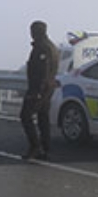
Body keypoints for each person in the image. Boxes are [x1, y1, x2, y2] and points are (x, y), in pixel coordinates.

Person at [21, 20, 60, 160]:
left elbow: (42, 71)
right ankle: (46, 148)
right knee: (43, 117)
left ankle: (35, 146)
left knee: (26, 116)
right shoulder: (52, 47)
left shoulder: (42, 48)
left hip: (39, 88)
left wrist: (37, 91)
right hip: (48, 88)